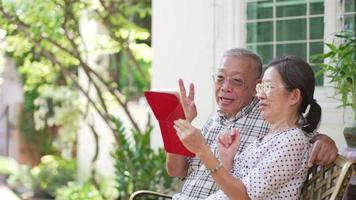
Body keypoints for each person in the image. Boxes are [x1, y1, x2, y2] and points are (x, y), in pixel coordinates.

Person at [166, 48, 338, 200]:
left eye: (236, 81)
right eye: (220, 78)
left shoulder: (273, 122)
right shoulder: (258, 131)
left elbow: (302, 137)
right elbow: (176, 170)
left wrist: (324, 140)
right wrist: (182, 122)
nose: (225, 87)